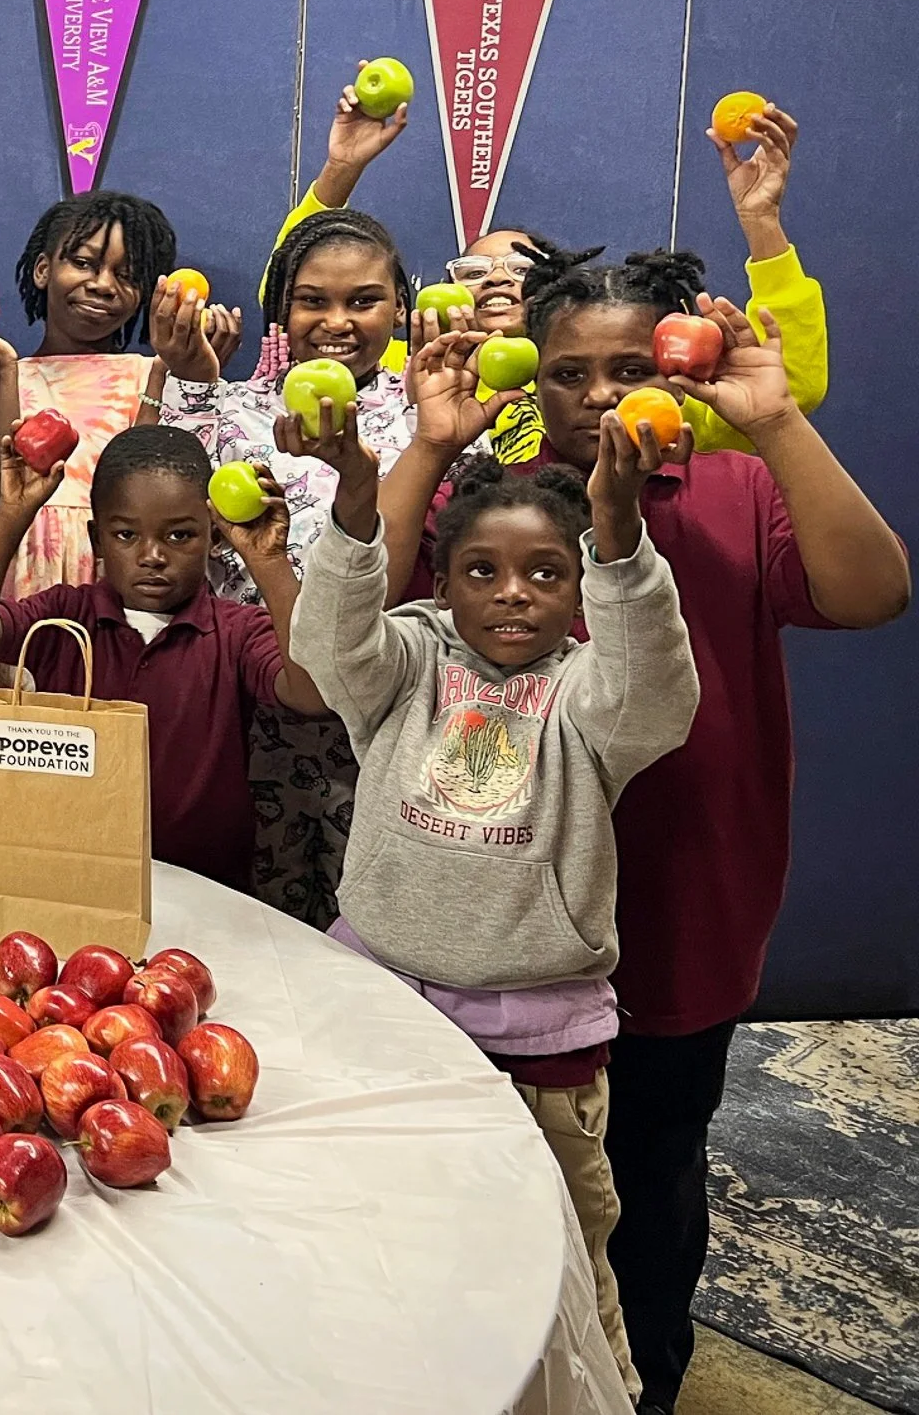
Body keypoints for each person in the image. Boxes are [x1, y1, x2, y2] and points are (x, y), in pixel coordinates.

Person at [377, 245, 909, 1414]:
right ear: (534, 381)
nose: (603, 394)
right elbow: (361, 621)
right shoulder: (492, 512)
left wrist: (773, 426)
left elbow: (872, 591)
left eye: (632, 365)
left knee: (652, 1168)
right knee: (480, 1165)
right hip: (499, 916)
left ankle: (644, 1383)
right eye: (570, 372)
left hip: (683, 894)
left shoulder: (730, 490)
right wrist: (425, 448)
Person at [285, 407, 700, 1403]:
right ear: (439, 584)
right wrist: (350, 505)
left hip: (538, 1044)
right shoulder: (407, 663)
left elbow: (656, 692)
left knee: (558, 1257)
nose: (512, 592)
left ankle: (603, 1395)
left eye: (544, 574)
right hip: (384, 1018)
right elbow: (327, 647)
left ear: (577, 593)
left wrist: (617, 534)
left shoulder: (591, 695)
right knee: (388, 1227)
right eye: (481, 571)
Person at [262, 70, 827, 462]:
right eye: (474, 271)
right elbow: (288, 290)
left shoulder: (618, 385)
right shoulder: (394, 371)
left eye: (519, 267)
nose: (498, 280)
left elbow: (791, 386)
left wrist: (763, 225)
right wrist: (339, 168)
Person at [155, 208, 424, 925]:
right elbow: (161, 516)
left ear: (400, 305)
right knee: (247, 922)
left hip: (383, 720)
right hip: (249, 708)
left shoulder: (429, 415)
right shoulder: (234, 412)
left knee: (371, 926)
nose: (337, 320)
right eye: (314, 300)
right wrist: (187, 380)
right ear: (282, 308)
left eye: (363, 300)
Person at [0, 423, 327, 892]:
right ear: (97, 540)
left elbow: (311, 694)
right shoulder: (65, 615)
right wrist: (12, 511)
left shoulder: (237, 631)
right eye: (125, 535)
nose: (152, 556)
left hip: (203, 888)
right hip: (69, 876)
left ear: (215, 538)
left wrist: (268, 561)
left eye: (180, 536)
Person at [0, 191, 236, 604]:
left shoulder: (151, 372)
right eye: (83, 263)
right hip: (17, 581)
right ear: (44, 269)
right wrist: (3, 369)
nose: (103, 285)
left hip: (124, 584)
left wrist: (178, 374)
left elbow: (146, 483)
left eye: (127, 274)